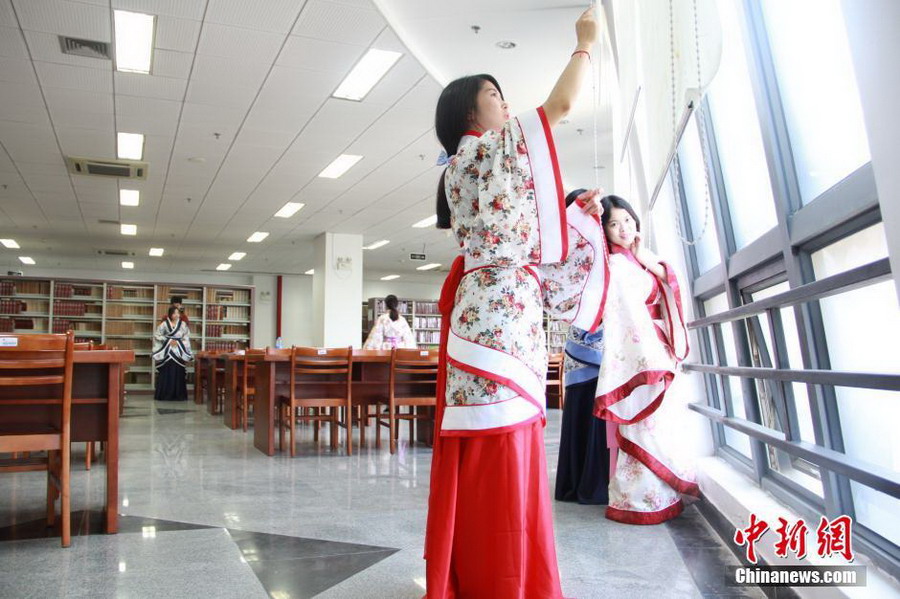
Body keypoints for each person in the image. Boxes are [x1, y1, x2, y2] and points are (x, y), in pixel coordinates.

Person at [425, 8, 608, 598]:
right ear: (467, 114)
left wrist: (576, 216)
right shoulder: (478, 153)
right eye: (494, 95)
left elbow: (526, 233)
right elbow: (560, 108)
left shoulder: (480, 163)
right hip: (497, 317)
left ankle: (503, 574)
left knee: (508, 443)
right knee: (501, 447)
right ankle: (503, 579)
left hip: (504, 309)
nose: (505, 103)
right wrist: (585, 44)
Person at [590, 193, 698, 524]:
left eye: (627, 220)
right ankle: (637, 501)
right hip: (642, 352)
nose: (623, 228)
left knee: (658, 424)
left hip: (657, 348)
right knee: (641, 426)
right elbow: (624, 312)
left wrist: (647, 260)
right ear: (604, 230)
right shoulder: (615, 265)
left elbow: (669, 283)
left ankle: (662, 495)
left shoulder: (638, 258)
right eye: (613, 223)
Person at [554, 189, 613, 506]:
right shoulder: (568, 252)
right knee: (582, 411)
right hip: (583, 343)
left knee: (590, 416)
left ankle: (585, 484)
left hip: (597, 344)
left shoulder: (601, 250)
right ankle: (581, 485)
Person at [153, 306, 193, 401]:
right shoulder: (164, 324)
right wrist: (168, 340)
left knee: (179, 371)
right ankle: (164, 395)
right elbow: (157, 335)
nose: (176, 315)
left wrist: (179, 342)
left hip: (179, 350)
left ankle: (179, 395)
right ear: (170, 314)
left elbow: (186, 337)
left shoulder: (183, 324)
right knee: (166, 371)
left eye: (178, 313)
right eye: (174, 313)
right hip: (167, 349)